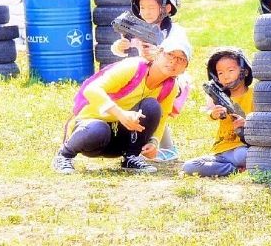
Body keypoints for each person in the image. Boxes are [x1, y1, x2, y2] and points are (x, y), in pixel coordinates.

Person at [52, 38, 192, 174]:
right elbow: (92, 89)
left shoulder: (171, 87)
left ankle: (131, 157)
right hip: (92, 132)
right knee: (99, 129)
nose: (174, 61)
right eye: (170, 54)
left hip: (119, 141)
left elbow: (162, 118)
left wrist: (154, 142)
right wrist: (120, 114)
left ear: (185, 67)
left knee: (152, 106)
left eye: (181, 59)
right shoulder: (133, 67)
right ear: (158, 54)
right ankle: (64, 155)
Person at [111, 0, 189, 162]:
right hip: (146, 77)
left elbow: (183, 55)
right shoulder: (139, 30)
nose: (146, 12)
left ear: (166, 8)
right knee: (142, 106)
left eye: (152, 7)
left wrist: (159, 53)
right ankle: (137, 145)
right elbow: (119, 49)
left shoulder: (175, 31)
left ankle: (167, 147)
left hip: (172, 77)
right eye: (142, 7)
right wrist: (120, 47)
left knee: (159, 107)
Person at [182, 48, 254, 177]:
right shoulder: (220, 98)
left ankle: (238, 165)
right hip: (222, 152)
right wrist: (213, 113)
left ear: (245, 71)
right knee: (189, 166)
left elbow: (266, 121)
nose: (226, 76)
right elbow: (210, 113)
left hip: (244, 148)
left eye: (231, 70)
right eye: (220, 73)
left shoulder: (254, 95)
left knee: (243, 155)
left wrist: (247, 122)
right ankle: (233, 170)